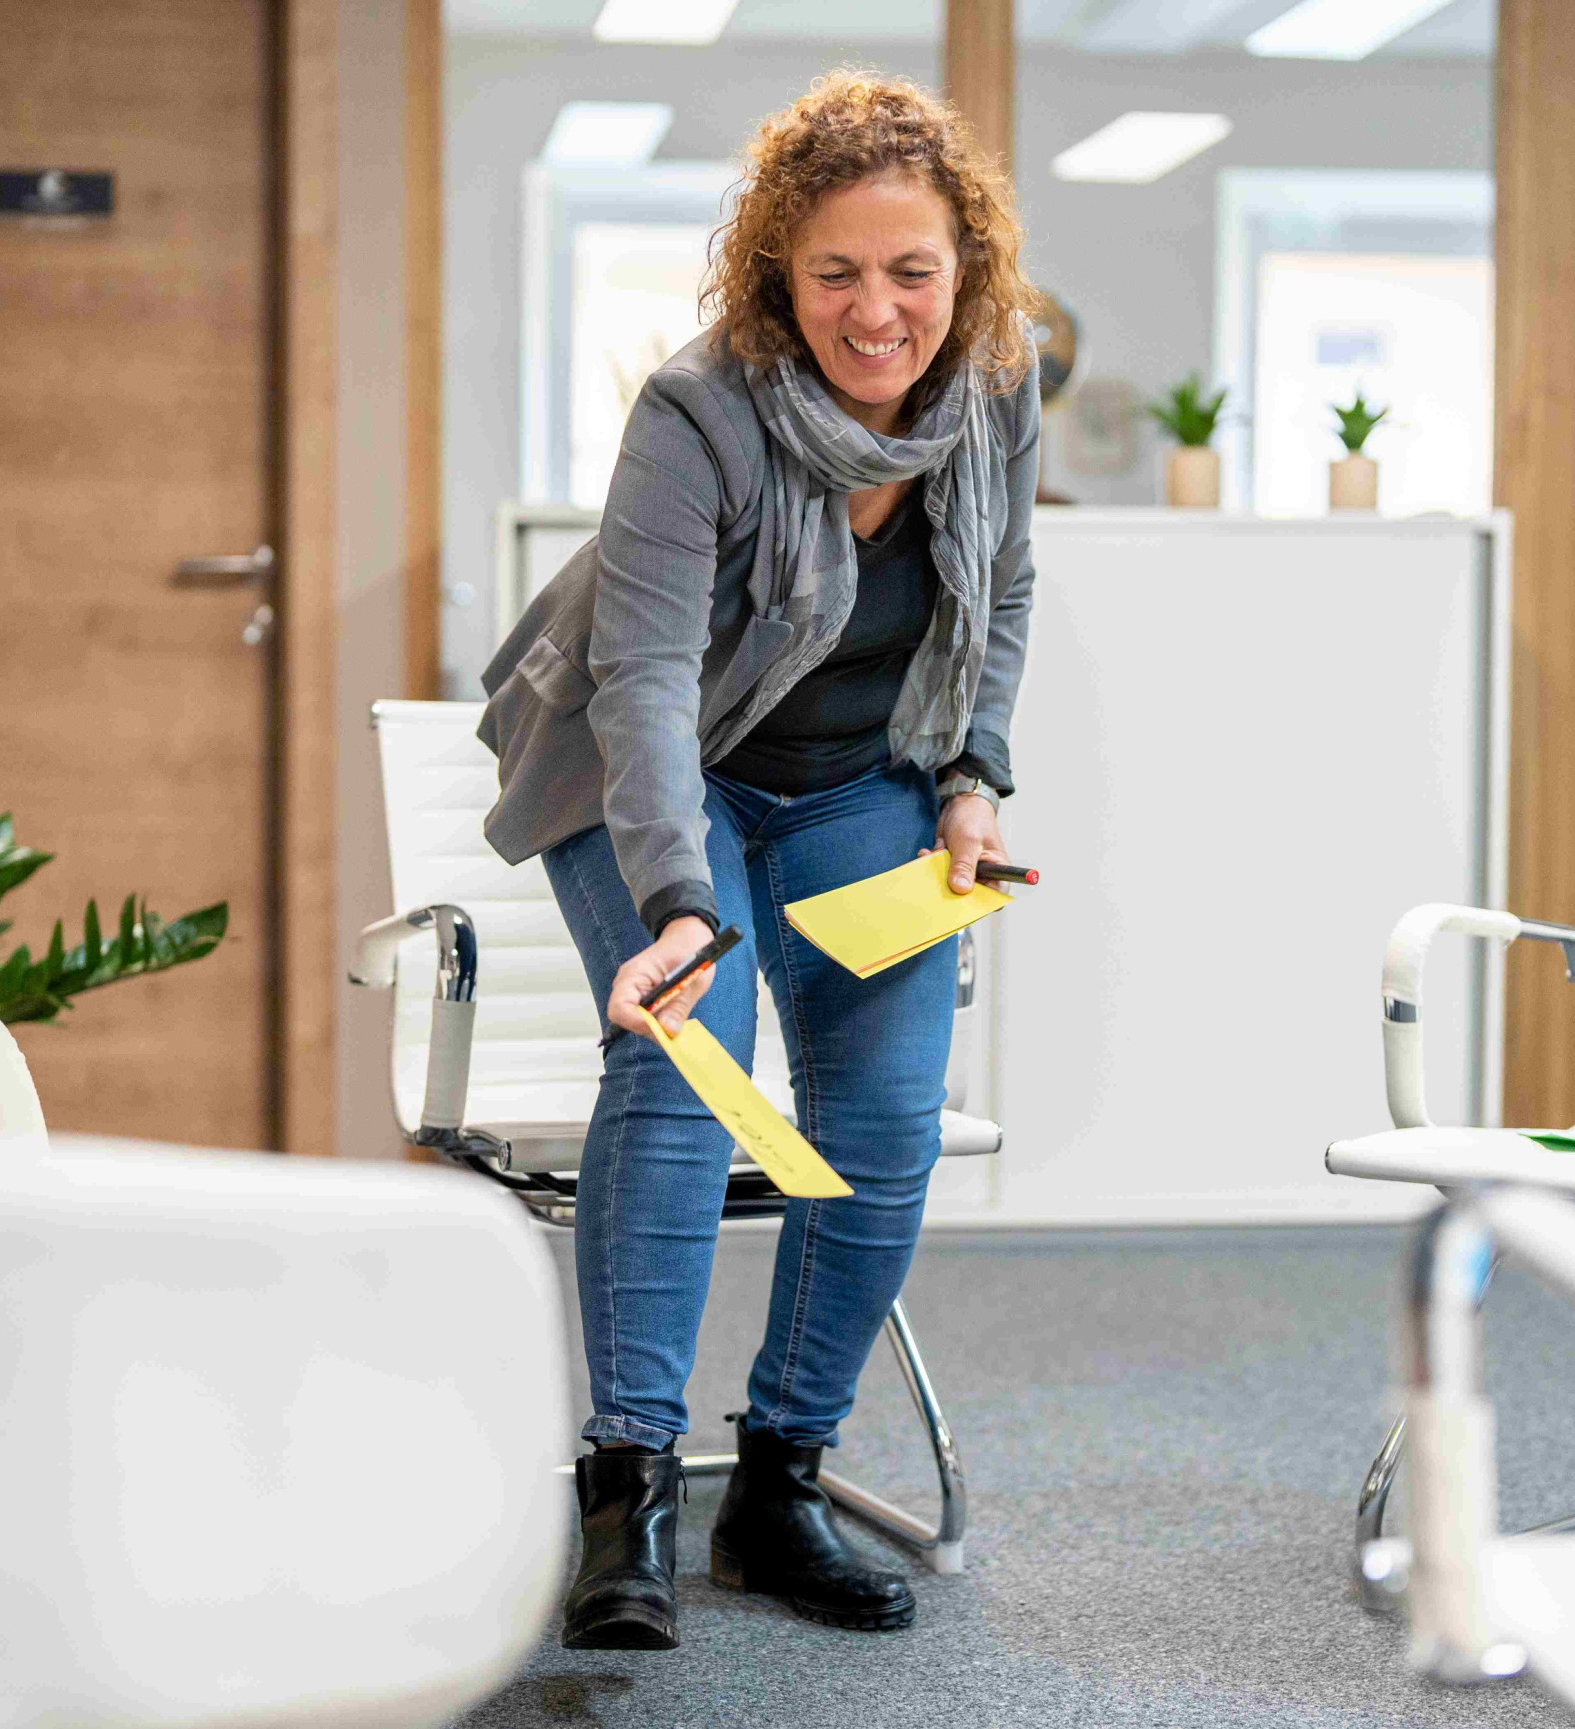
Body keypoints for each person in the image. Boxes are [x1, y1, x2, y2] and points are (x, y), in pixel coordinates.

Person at [475, 69, 1042, 1649]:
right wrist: (675, 903)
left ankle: (780, 1482)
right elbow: (642, 680)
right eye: (837, 272)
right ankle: (628, 1486)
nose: (878, 311)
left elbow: (999, 597)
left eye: (911, 269)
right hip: (652, 773)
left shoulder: (992, 386)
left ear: (964, 270)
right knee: (691, 1056)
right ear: (778, 277)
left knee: (879, 1106)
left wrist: (975, 783)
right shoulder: (699, 410)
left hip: (859, 775)